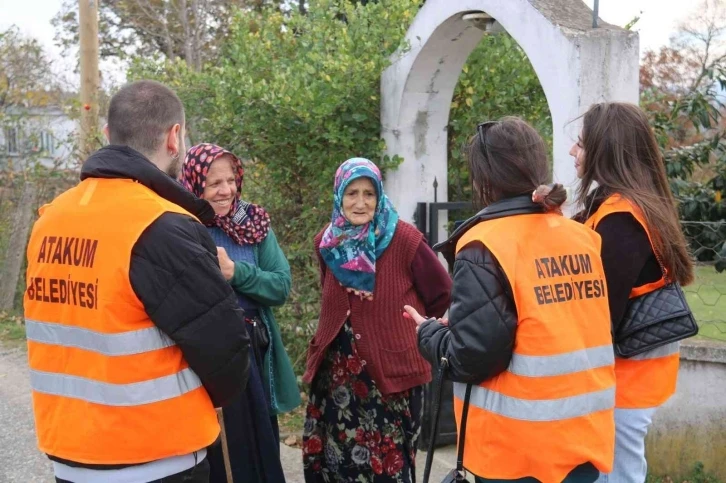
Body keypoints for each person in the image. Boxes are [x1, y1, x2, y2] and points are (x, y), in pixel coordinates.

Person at [23, 80, 250, 483]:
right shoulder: (164, 226)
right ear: (175, 137)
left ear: (108, 135)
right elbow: (226, 353)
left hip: (70, 455)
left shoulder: (50, 219)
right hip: (159, 457)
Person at [407, 117, 616, 483]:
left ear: (484, 179)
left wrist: (429, 335)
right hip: (583, 442)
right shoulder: (581, 237)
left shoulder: (485, 244)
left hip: (516, 453)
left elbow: (472, 357)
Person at [301, 158, 452, 483]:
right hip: (338, 379)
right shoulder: (326, 243)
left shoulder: (405, 240)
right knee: (337, 466)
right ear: (339, 196)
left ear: (379, 195)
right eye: (352, 193)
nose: (360, 202)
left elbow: (444, 294)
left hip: (391, 380)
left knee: (390, 469)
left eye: (368, 193)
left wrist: (427, 333)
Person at [569, 102, 695, 483]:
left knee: (619, 475)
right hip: (631, 377)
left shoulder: (621, 217)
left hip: (624, 380)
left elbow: (598, 312)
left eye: (580, 143)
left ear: (605, 149)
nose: (573, 152)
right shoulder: (624, 205)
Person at [181, 143, 300, 483]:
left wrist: (236, 273)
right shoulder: (182, 225)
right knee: (216, 448)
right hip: (204, 356)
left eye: (231, 180)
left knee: (257, 443)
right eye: (214, 183)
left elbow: (280, 286)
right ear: (194, 183)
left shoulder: (254, 223)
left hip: (253, 352)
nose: (226, 190)